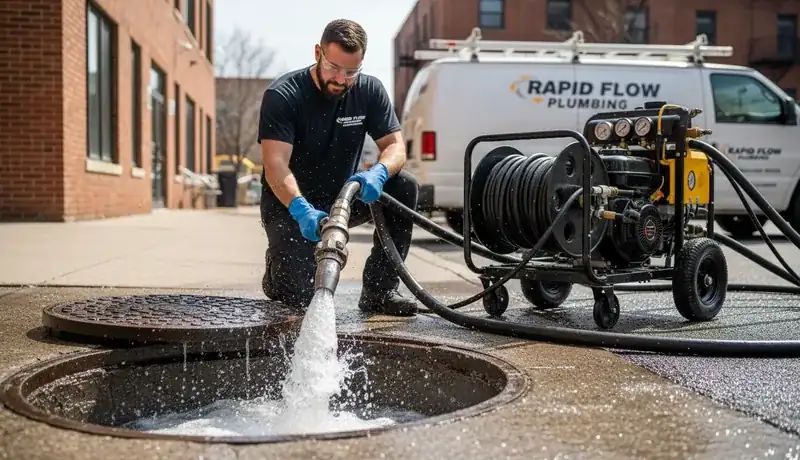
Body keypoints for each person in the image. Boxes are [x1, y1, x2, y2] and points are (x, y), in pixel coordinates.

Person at [257, 19, 420, 317]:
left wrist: (379, 172)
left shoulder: (369, 90)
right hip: (290, 205)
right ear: (318, 52)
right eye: (333, 68)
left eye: (350, 72)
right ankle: (277, 273)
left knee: (403, 185)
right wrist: (301, 209)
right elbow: (275, 163)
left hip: (342, 198)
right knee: (298, 299)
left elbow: (396, 147)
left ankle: (379, 290)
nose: (341, 79)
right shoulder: (284, 95)